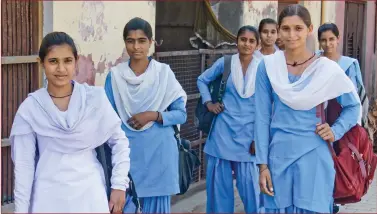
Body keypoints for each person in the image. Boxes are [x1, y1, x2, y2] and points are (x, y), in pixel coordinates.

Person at [254, 4, 361, 213]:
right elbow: (261, 117)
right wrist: (262, 165)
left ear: (309, 29)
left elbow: (353, 106)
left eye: (298, 28)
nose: (292, 35)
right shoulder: (268, 67)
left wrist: (335, 130)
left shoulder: (325, 68)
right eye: (286, 29)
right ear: (279, 30)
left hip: (315, 153)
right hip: (278, 156)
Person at [10, 32, 131, 213]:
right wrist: (21, 210)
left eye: (67, 60)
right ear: (41, 63)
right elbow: (24, 166)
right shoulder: (31, 109)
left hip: (90, 195)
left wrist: (119, 185)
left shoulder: (94, 99)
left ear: (76, 62)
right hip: (47, 198)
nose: (61, 68)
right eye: (53, 61)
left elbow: (119, 142)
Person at [104, 17, 187, 213]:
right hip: (128, 157)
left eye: (142, 41)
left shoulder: (163, 74)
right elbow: (106, 118)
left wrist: (153, 115)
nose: (136, 47)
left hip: (160, 156)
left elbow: (181, 114)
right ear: (125, 43)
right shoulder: (115, 77)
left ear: (151, 42)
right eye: (130, 41)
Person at [197, 25, 261, 213]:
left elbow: (268, 106)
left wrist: (259, 138)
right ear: (236, 42)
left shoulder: (263, 68)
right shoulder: (225, 63)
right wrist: (208, 103)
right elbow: (202, 80)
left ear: (257, 45)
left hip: (248, 138)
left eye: (251, 41)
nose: (246, 44)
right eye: (243, 39)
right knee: (219, 192)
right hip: (222, 135)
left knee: (253, 192)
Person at [317, 22, 369, 128]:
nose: (327, 44)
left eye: (331, 39)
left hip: (342, 119)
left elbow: (354, 96)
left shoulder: (348, 65)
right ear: (319, 41)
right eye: (323, 40)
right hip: (317, 117)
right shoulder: (314, 61)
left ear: (338, 39)